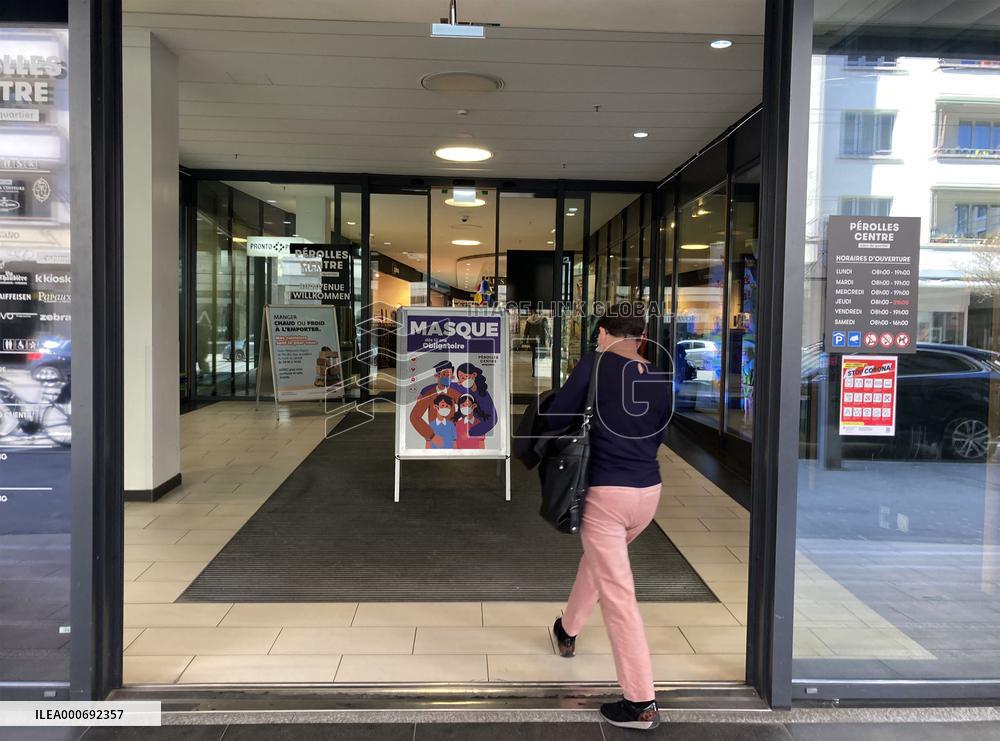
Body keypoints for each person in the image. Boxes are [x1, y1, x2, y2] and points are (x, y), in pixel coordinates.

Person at [543, 302, 672, 731]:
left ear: (603, 331)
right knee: (599, 564)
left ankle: (640, 702)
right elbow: (658, 435)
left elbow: (560, 415)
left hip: (606, 495)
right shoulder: (658, 375)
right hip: (647, 495)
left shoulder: (594, 365)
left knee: (619, 596)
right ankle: (566, 629)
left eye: (597, 335)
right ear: (642, 335)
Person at [455, 362, 496, 438]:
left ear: (474, 375)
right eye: (462, 378)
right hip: (463, 428)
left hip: (477, 432)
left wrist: (471, 433)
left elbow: (492, 420)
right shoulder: (461, 390)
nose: (465, 380)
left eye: (467, 376)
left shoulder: (483, 394)